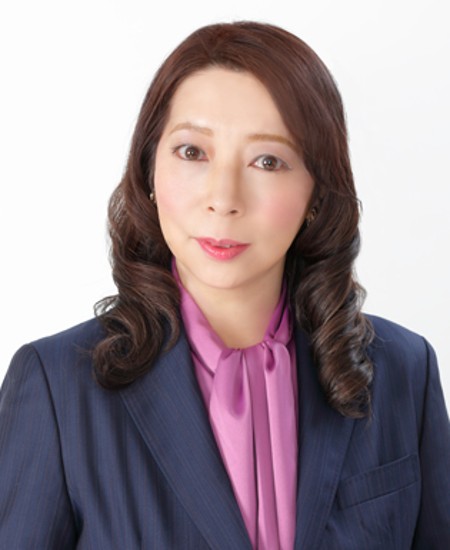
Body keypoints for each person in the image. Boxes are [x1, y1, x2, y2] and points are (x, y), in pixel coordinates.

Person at [0, 21, 449, 550]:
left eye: (268, 161)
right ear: (149, 169)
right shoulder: (56, 387)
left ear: (316, 193)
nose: (224, 198)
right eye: (192, 152)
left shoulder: (404, 371)